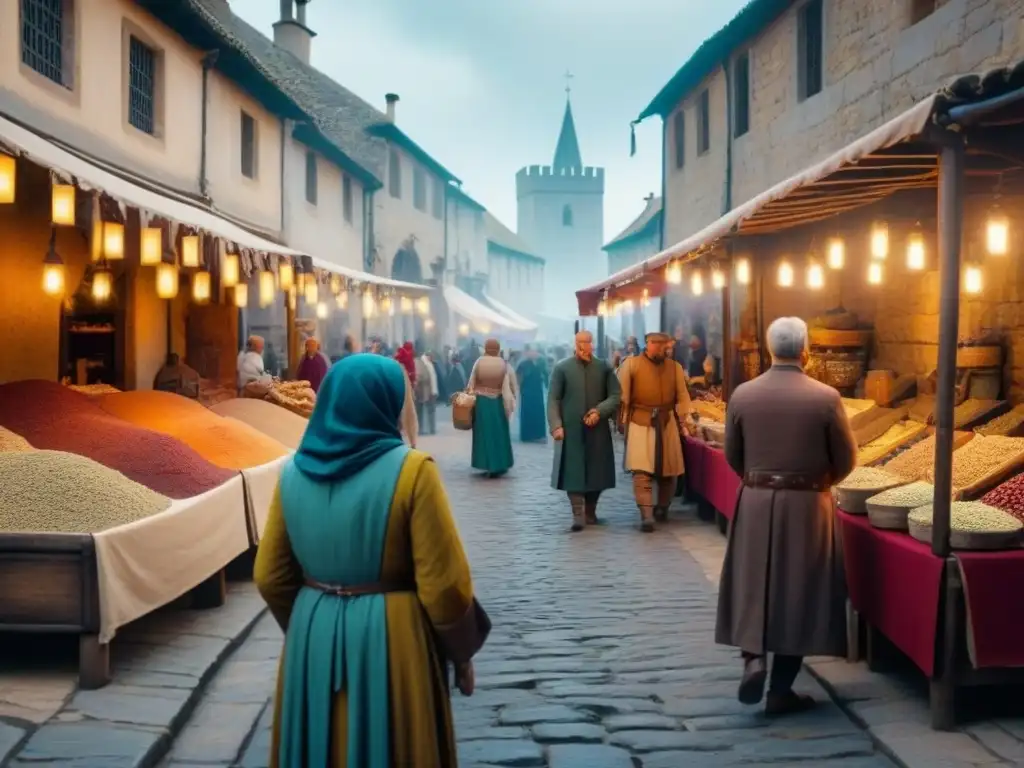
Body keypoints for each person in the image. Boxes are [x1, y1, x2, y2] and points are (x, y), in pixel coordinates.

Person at [253, 355, 491, 767]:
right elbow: (444, 586)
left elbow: (270, 576)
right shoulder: (413, 470)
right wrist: (462, 652)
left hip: (314, 635)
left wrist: (312, 625)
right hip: (394, 640)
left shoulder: (292, 473)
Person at [715, 317, 857, 717]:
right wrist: (819, 480)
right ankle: (780, 689)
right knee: (800, 592)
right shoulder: (826, 397)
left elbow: (733, 455)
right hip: (808, 503)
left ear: (769, 349)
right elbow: (846, 459)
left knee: (752, 582)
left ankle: (753, 658)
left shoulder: (743, 394)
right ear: (806, 351)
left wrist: (757, 479)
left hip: (757, 497)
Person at [617, 331, 694, 533]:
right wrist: (621, 421)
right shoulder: (631, 365)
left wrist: (686, 418)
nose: (661, 349)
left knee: (669, 471)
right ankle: (646, 514)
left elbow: (682, 395)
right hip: (640, 422)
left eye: (664, 345)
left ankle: (662, 508)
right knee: (641, 471)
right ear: (648, 344)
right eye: (657, 345)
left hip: (667, 421)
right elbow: (622, 396)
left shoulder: (674, 368)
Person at [548, 331, 621, 531]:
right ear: (574, 343)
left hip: (597, 429)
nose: (582, 346)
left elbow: (615, 395)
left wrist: (599, 411)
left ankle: (591, 510)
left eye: (586, 342)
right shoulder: (562, 368)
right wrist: (556, 425)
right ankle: (577, 513)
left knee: (598, 472)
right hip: (571, 429)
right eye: (579, 342)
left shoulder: (604, 368)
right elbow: (553, 398)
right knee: (573, 471)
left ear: (592, 345)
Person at [467, 338, 515, 477]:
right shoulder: (502, 364)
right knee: (498, 434)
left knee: (484, 434)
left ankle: (486, 464)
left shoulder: (479, 362)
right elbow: (506, 388)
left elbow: (471, 383)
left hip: (481, 402)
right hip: (497, 403)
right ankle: (499, 464)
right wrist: (509, 406)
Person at [516, 346, 548, 443]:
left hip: (537, 393)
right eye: (531, 352)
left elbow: (545, 375)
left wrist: (547, 384)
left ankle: (539, 435)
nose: (533, 354)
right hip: (527, 393)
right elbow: (518, 378)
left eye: (535, 352)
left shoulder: (541, 363)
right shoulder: (523, 365)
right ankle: (527, 436)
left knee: (538, 414)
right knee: (527, 414)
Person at [414, 351, 439, 436]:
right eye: (431, 357)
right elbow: (419, 376)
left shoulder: (429, 363)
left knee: (430, 410)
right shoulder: (421, 363)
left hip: (430, 391)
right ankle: (420, 429)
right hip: (422, 391)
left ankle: (431, 429)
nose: (432, 359)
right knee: (420, 411)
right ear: (428, 355)